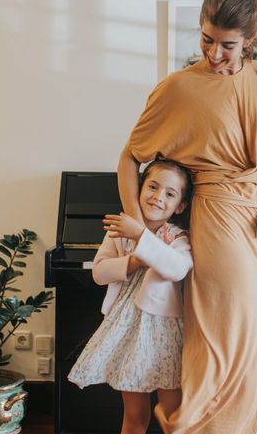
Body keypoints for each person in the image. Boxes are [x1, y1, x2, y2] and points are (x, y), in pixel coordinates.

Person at [118, 0, 257, 433]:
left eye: (228, 45)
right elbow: (129, 157)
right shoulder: (178, 88)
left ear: (251, 39)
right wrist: (140, 233)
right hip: (219, 222)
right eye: (207, 40)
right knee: (222, 348)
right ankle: (189, 424)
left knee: (251, 350)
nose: (215, 54)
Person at [68, 159, 194, 434]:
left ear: (180, 206)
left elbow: (178, 268)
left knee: (173, 416)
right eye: (153, 186)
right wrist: (134, 261)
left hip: (165, 335)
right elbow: (99, 273)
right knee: (135, 416)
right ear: (138, 188)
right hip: (127, 332)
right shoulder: (120, 231)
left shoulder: (177, 237)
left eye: (170, 194)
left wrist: (140, 236)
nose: (158, 197)